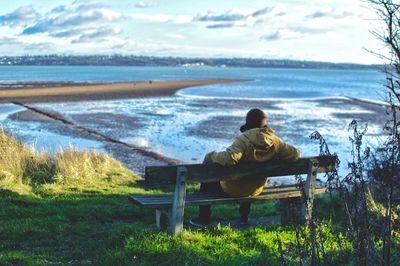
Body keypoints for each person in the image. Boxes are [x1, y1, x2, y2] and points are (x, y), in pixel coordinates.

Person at [189, 108, 300, 227]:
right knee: (250, 178)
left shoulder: (244, 139)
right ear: (264, 125)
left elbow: (229, 158)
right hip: (256, 189)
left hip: (233, 189)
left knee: (208, 181)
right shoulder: (276, 141)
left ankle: (204, 218)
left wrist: (211, 155)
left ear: (247, 124)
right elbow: (295, 155)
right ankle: (244, 218)